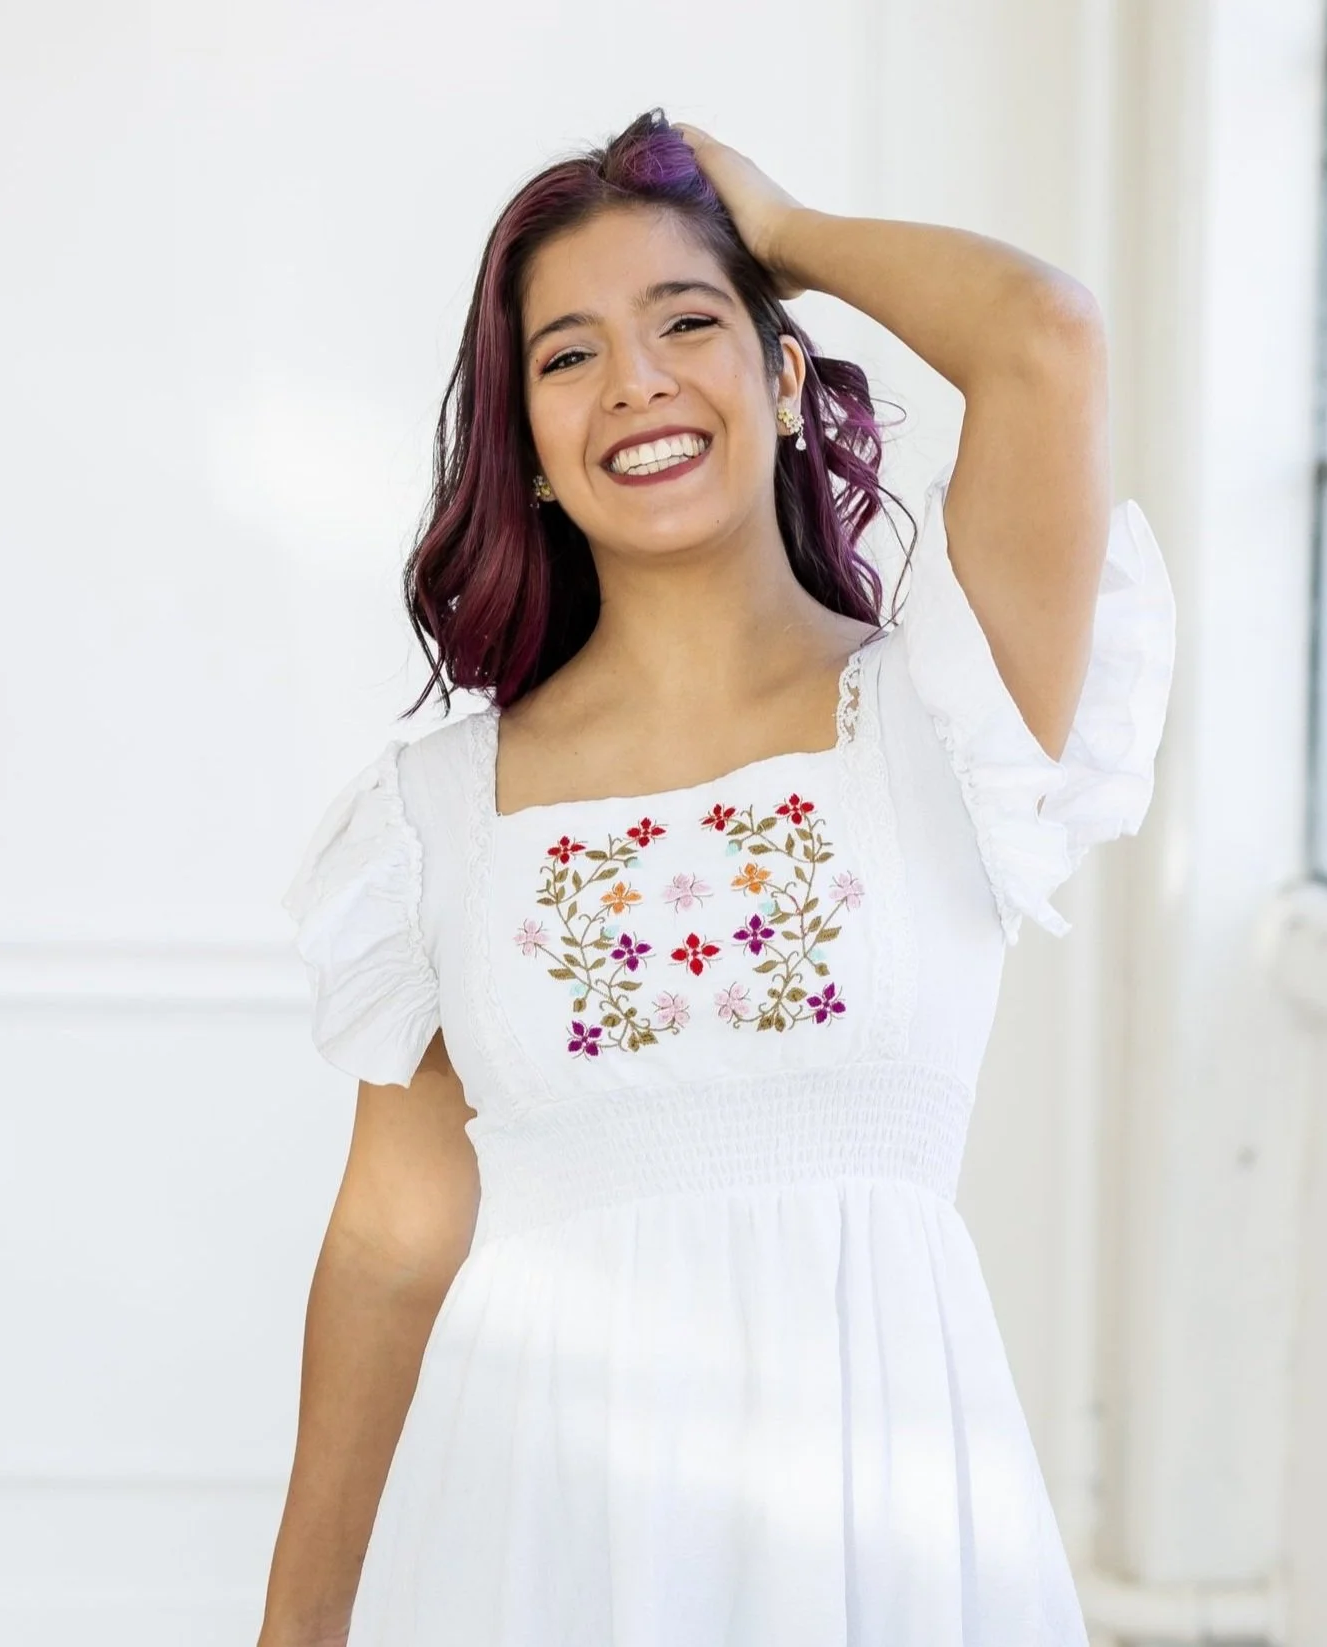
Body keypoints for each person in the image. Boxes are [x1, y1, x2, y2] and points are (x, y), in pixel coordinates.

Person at [260, 108, 1176, 1647]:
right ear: (526, 453)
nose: (635, 379)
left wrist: (783, 228)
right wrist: (296, 1628)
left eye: (687, 321)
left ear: (785, 376)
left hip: (878, 1527)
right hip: (540, 1536)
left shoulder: (950, 717)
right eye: (567, 355)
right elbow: (389, 1248)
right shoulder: (436, 815)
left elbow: (1044, 335)